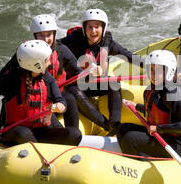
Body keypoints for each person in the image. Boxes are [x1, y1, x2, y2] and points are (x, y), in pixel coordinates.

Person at [58, 8, 144, 136]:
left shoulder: (108, 42)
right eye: (90, 27)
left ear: (103, 28)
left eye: (97, 27)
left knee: (113, 82)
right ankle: (106, 125)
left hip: (97, 84)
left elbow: (129, 56)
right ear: (84, 28)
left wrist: (155, 66)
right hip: (77, 86)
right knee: (73, 91)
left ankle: (115, 124)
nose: (93, 31)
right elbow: (54, 46)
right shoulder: (73, 40)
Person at [0, 40, 82, 146]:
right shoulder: (11, 79)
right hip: (15, 131)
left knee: (74, 134)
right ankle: (1, 140)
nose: (50, 63)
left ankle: (40, 147)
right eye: (47, 60)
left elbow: (60, 100)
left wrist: (61, 106)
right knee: (23, 133)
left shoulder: (47, 78)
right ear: (37, 64)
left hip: (41, 130)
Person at [0, 14, 83, 129]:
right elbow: (2, 74)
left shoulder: (61, 49)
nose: (45, 39)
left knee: (69, 98)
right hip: (33, 98)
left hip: (54, 95)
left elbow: (78, 70)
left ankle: (73, 131)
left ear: (54, 34)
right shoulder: (26, 52)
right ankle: (2, 127)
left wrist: (85, 74)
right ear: (35, 36)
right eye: (41, 35)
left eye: (49, 35)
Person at [117, 50, 181, 158]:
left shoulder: (175, 94)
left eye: (159, 70)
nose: (154, 74)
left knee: (130, 138)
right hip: (162, 135)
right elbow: (156, 111)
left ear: (169, 71)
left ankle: (134, 166)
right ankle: (136, 156)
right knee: (123, 128)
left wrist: (158, 129)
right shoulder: (153, 89)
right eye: (151, 69)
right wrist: (136, 106)